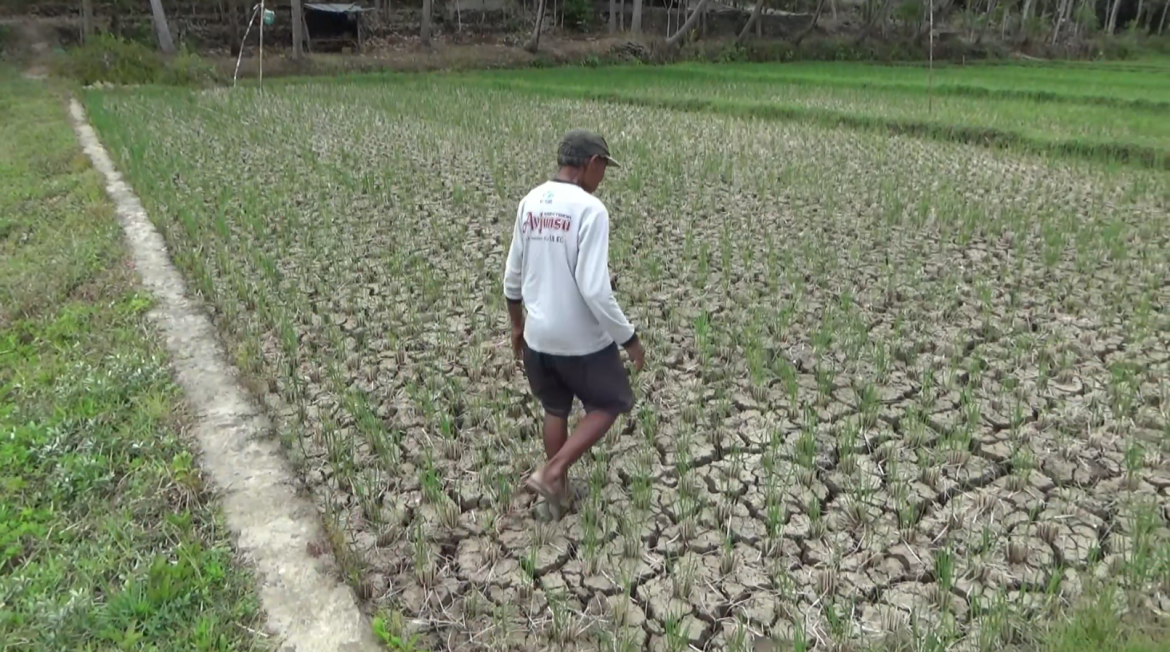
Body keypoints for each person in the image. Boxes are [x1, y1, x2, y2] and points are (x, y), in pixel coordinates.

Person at [503, 129, 646, 514]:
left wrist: (517, 327)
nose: (603, 180)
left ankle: (558, 495)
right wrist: (628, 338)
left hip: (538, 337)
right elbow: (595, 289)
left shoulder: (529, 202)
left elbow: (511, 277)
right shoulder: (589, 210)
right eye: (604, 169)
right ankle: (553, 472)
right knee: (612, 400)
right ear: (592, 164)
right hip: (578, 341)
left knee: (556, 407)